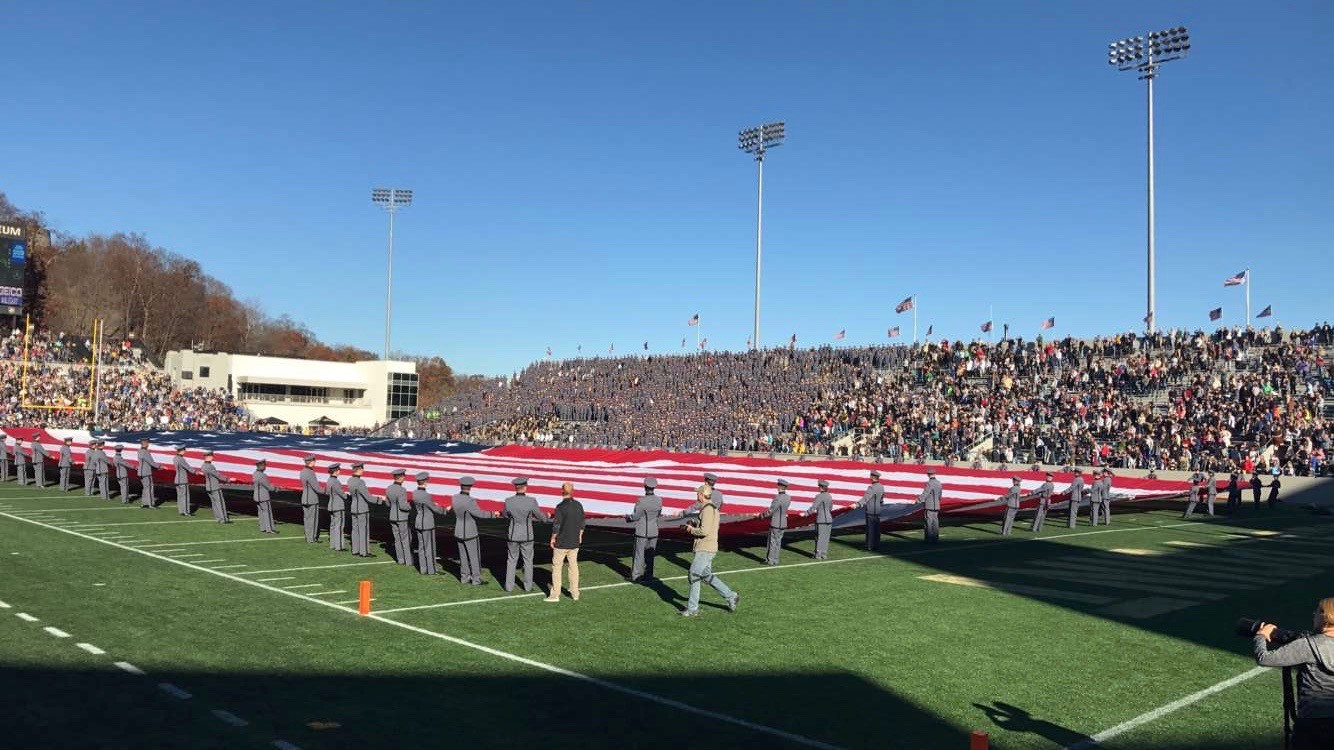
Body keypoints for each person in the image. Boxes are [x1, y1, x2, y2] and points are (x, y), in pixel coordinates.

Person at [1252, 598, 1334, 748]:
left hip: (1312, 721)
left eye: (1316, 612)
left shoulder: (1309, 645)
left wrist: (1261, 636)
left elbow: (1264, 659)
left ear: (1325, 616)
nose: (1313, 615)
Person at [681, 484, 738, 617]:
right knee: (706, 576)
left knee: (694, 575)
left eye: (697, 494)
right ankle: (731, 596)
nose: (696, 495)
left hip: (704, 548)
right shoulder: (713, 508)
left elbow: (704, 531)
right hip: (710, 547)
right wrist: (696, 524)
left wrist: (691, 529)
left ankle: (692, 608)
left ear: (701, 495)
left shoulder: (707, 509)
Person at [502, 477, 550, 592]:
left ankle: (509, 586)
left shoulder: (508, 501)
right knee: (528, 561)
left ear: (516, 487)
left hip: (513, 535)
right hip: (527, 535)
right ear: (525, 487)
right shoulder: (531, 501)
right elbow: (541, 517)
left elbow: (505, 514)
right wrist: (547, 516)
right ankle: (528, 587)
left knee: (511, 560)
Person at [546, 482, 585, 601]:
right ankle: (575, 592)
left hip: (562, 542)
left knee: (557, 567)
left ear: (562, 491)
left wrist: (553, 538)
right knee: (573, 566)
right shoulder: (578, 505)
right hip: (574, 542)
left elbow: (556, 525)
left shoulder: (560, 507)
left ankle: (555, 594)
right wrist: (580, 535)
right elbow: (582, 523)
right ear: (573, 491)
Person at [450, 476, 492, 585]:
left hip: (458, 530)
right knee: (474, 557)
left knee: (463, 556)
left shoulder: (455, 498)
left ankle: (464, 577)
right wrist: (493, 514)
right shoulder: (470, 500)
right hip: (470, 531)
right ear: (470, 487)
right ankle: (476, 579)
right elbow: (480, 514)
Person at [626, 477, 662, 581]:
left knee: (639, 555)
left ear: (645, 487)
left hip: (642, 531)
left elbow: (636, 516)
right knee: (650, 555)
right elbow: (658, 514)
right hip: (654, 530)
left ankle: (636, 576)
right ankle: (648, 575)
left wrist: (628, 517)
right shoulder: (659, 500)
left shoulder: (641, 501)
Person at [411, 472, 446, 575]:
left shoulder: (415, 493)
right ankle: (431, 570)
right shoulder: (426, 495)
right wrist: (444, 510)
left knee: (421, 547)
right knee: (430, 547)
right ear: (425, 481)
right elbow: (434, 508)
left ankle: (423, 569)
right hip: (427, 523)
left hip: (419, 521)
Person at [383, 469, 413, 566]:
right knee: (405, 539)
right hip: (402, 517)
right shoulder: (402, 490)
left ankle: (400, 559)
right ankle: (408, 560)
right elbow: (403, 506)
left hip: (392, 516)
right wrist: (410, 506)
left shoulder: (388, 488)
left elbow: (387, 504)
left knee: (397, 539)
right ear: (401, 477)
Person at [759, 478, 791, 566]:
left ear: (780, 486)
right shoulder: (788, 497)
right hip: (783, 522)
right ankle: (775, 559)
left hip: (776, 522)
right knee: (778, 542)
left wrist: (762, 515)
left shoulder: (778, 498)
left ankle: (770, 560)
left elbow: (771, 510)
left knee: (772, 542)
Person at [347, 463, 373, 557]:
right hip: (362, 508)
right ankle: (364, 551)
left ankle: (355, 550)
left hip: (354, 508)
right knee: (363, 530)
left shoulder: (350, 480)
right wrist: (379, 500)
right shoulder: (360, 482)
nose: (363, 471)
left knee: (355, 530)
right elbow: (367, 497)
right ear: (359, 469)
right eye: (362, 469)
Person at [856, 470, 885, 551]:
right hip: (878, 510)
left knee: (870, 529)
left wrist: (857, 504)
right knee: (876, 529)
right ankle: (877, 544)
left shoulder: (871, 487)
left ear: (872, 477)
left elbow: (865, 498)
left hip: (871, 510)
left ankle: (869, 545)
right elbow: (882, 499)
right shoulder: (881, 486)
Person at [807, 479, 834, 558]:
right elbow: (831, 507)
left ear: (821, 487)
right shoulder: (829, 496)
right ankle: (824, 554)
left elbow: (813, 507)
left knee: (819, 537)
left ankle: (818, 554)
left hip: (821, 519)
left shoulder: (819, 496)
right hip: (829, 519)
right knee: (826, 537)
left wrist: (806, 514)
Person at [325, 463, 348, 551]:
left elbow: (327, 492)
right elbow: (341, 493)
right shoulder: (335, 482)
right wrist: (346, 496)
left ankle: (333, 544)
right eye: (339, 470)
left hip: (331, 504)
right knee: (339, 526)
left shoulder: (329, 480)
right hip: (338, 506)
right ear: (336, 471)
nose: (340, 471)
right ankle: (339, 546)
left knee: (333, 525)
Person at [201, 450, 228, 523]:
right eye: (212, 456)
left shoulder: (203, 466)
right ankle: (223, 519)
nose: (213, 457)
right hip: (215, 487)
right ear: (208, 457)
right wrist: (227, 479)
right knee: (220, 503)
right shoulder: (210, 466)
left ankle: (218, 518)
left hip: (209, 487)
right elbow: (217, 475)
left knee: (214, 503)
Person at [299, 455, 321, 543]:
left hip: (305, 498)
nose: (315, 463)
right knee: (313, 519)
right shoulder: (310, 473)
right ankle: (312, 538)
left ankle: (308, 536)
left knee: (307, 519)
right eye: (314, 461)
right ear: (311, 462)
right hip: (312, 499)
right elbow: (316, 487)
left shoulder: (302, 471)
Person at [253, 459, 277, 533]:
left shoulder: (255, 474)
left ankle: (263, 527)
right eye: (264, 465)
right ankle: (269, 529)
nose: (265, 467)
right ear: (261, 466)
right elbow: (268, 486)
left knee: (261, 513)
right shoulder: (262, 475)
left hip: (257, 496)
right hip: (263, 496)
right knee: (267, 512)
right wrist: (275, 488)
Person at [920, 469, 943, 543]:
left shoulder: (929, 483)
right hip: (936, 505)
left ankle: (929, 539)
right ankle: (935, 538)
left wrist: (918, 500)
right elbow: (940, 495)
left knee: (929, 522)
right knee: (935, 522)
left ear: (928, 474)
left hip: (929, 505)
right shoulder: (939, 483)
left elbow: (925, 494)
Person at [137, 439, 160, 508]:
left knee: (145, 488)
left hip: (141, 472)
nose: (148, 444)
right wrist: (159, 466)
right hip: (146, 472)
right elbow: (151, 462)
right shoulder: (145, 452)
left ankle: (144, 503)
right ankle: (150, 504)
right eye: (147, 443)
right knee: (149, 487)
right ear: (145, 443)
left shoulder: (139, 451)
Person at [173, 446, 194, 516]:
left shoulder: (175, 458)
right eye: (184, 450)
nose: (184, 452)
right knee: (185, 496)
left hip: (177, 479)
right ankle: (185, 511)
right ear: (181, 451)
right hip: (182, 479)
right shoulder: (181, 459)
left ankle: (181, 510)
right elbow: (187, 467)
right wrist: (195, 472)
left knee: (180, 496)